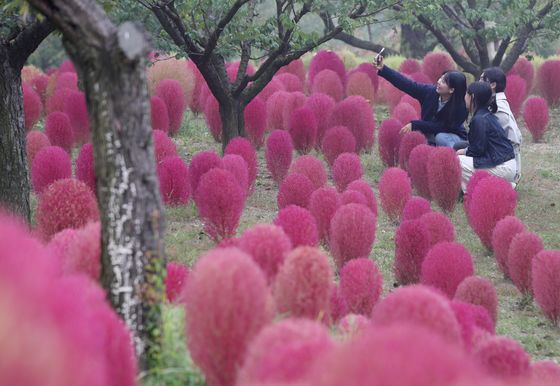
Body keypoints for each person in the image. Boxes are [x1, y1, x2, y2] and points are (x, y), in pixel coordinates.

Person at [374, 54, 468, 148]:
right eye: (441, 78)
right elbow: (407, 84)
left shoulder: (460, 108)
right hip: (431, 134)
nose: (439, 82)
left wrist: (415, 124)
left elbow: (440, 127)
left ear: (451, 90)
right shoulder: (430, 92)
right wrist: (383, 69)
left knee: (440, 137)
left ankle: (457, 158)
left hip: (453, 138)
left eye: (443, 82)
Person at [457, 82, 516, 192]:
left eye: (466, 94)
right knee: (460, 148)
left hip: (502, 167)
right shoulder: (486, 115)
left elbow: (478, 150)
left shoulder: (479, 119)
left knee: (457, 161)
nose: (464, 97)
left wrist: (464, 152)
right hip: (505, 164)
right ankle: (500, 185)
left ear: (472, 97)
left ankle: (475, 191)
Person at [480, 67, 522, 185]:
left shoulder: (497, 107)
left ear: (492, 85)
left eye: (482, 80)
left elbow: (514, 140)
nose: (479, 83)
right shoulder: (495, 102)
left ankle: (505, 182)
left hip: (504, 161)